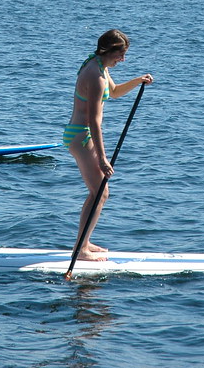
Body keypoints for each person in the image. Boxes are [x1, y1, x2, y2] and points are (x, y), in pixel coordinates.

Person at [64, 29, 153, 260]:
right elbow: (94, 120)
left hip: (80, 135)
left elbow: (113, 93)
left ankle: (83, 242)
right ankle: (81, 249)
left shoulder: (98, 65)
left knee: (98, 192)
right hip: (81, 136)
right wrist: (103, 159)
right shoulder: (95, 75)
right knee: (100, 192)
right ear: (107, 50)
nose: (123, 59)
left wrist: (137, 81)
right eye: (120, 55)